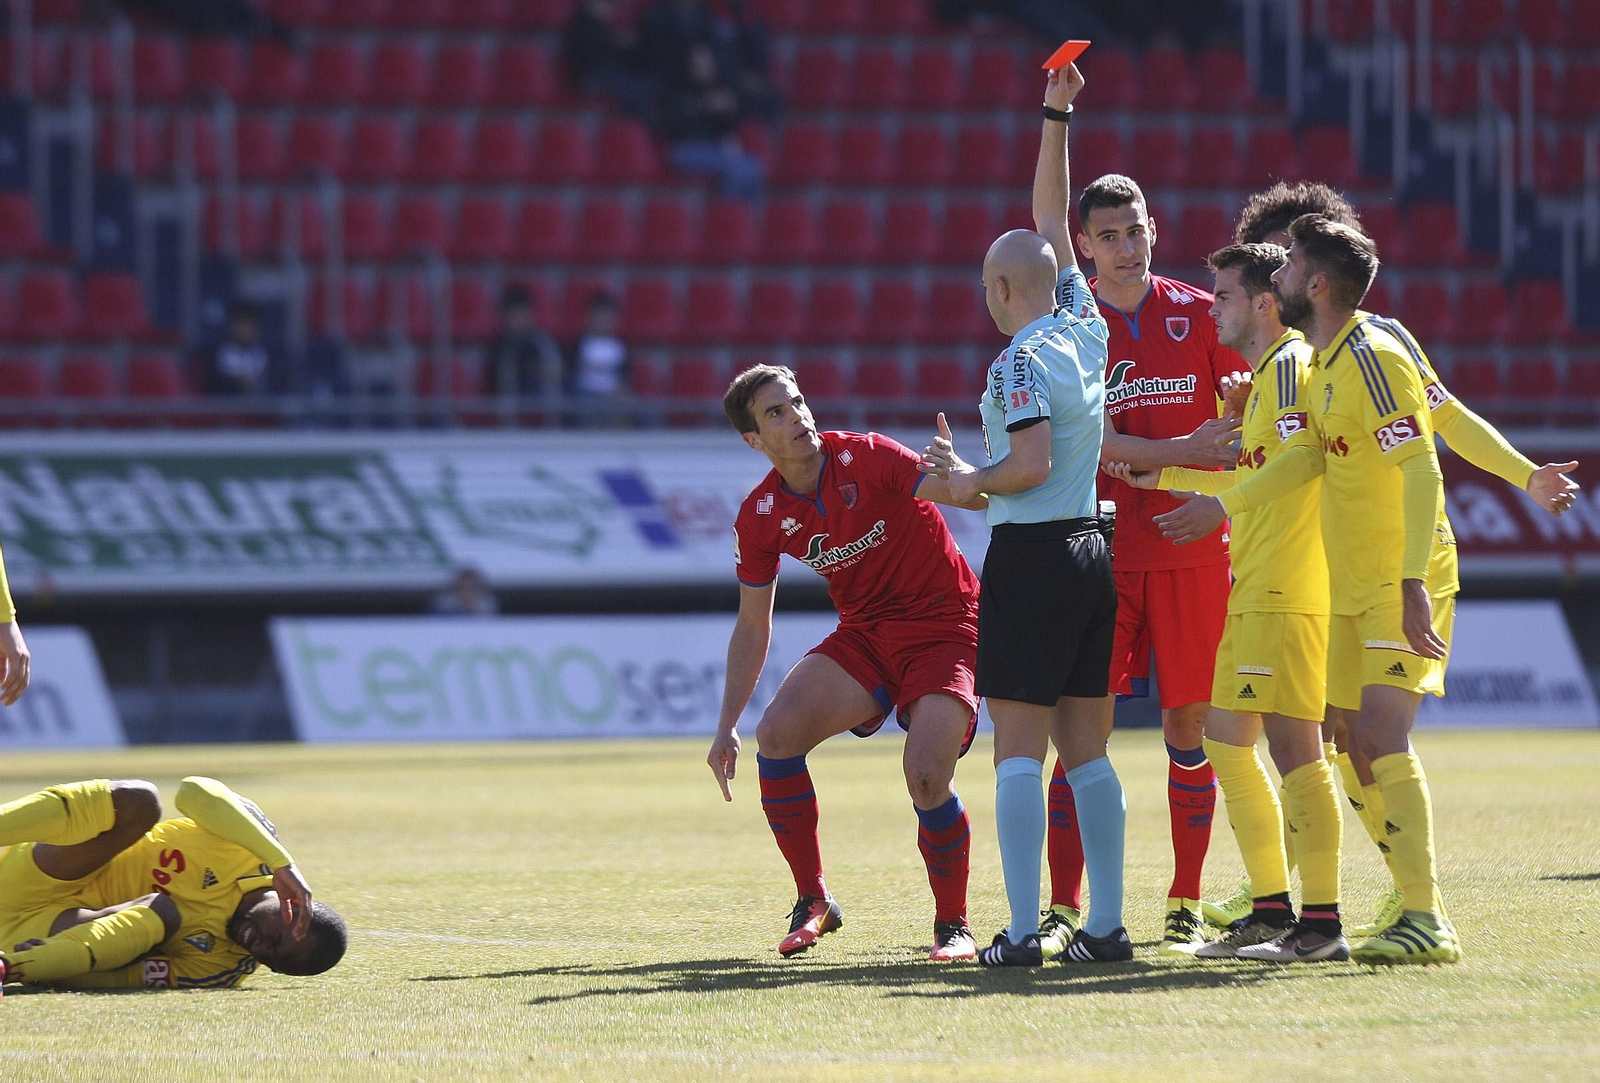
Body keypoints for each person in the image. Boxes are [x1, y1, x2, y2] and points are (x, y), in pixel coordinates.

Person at [1215, 181, 1582, 937]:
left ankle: (1423, 909)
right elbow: (1306, 460)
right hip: (1347, 574)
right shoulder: (1315, 364)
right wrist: (1221, 493)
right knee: (1347, 737)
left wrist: (1520, 478)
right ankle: (1408, 890)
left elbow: (1430, 452)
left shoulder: (1378, 349)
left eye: (1284, 263)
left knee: (1377, 735)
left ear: (1315, 277)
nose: (1271, 274)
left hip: (1398, 571)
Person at [1153, 214, 1477, 963]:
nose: (1215, 306)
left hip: (1314, 583)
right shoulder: (1308, 366)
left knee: (1322, 744)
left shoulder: (1327, 360)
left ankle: (1353, 913)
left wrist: (1411, 578)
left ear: (1300, 286)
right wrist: (1172, 474)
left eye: (1229, 292)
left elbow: (1417, 456)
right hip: (1299, 583)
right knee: (1331, 741)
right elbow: (1291, 462)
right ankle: (1307, 908)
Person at [920, 62, 1127, 967]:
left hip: (1034, 557)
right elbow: (1053, 219)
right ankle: (1108, 929)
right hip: (1092, 545)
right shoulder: (1086, 324)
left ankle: (1016, 932)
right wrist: (1055, 115)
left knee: (1016, 753)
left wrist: (964, 480)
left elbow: (1027, 464)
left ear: (999, 291)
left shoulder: (1012, 364)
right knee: (1089, 754)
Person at [1106, 241, 1349, 961]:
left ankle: (1322, 924)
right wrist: (1159, 481)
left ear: (1262, 304)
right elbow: (1249, 470)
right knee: (1223, 740)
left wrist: (1221, 508)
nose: (1209, 309)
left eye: (1222, 297)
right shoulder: (1263, 376)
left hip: (1288, 582)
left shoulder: (1292, 368)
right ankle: (1272, 909)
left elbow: (1302, 467)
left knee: (1296, 748)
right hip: (1254, 582)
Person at [705, 365, 988, 962]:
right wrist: (726, 723)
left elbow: (973, 497)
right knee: (775, 736)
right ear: (754, 441)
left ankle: (952, 924)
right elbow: (754, 623)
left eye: (798, 402)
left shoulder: (869, 455)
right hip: (866, 635)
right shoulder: (759, 515)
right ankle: (813, 901)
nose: (798, 417)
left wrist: (960, 475)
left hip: (946, 625)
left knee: (927, 775)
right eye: (776, 413)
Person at [1039, 169, 1249, 956]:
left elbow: (1249, 431)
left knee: (1188, 727)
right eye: (1109, 235)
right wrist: (1177, 449)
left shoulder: (1203, 315)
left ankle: (1186, 898)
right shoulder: (1069, 325)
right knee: (1079, 732)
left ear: (1154, 230)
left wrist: (1229, 426)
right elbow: (1076, 440)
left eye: (1137, 231)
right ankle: (1065, 906)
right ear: (1084, 245)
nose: (1127, 247)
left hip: (1193, 548)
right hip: (1099, 551)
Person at [0, 776, 346, 993]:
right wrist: (281, 862)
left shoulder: (221, 968)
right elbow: (193, 791)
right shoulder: (253, 843)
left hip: (41, 932)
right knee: (140, 800)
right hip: (31, 876)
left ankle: (8, 968)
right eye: (277, 939)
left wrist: (47, 967)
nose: (260, 949)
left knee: (161, 912)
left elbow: (124, 979)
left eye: (273, 961)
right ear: (295, 907)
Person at [483, 285, 564, 400]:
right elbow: (496, 384)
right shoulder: (497, 347)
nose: (519, 321)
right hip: (509, 401)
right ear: (504, 317)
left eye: (523, 315)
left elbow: (556, 374)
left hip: (541, 399)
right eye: (514, 317)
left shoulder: (543, 343)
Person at [566, 292, 631, 424]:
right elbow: (571, 374)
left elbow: (625, 376)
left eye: (607, 316)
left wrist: (620, 391)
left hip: (614, 396)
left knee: (638, 409)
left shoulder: (619, 346)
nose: (603, 321)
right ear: (590, 317)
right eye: (599, 316)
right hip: (585, 394)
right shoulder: (580, 345)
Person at [200, 301, 274, 397]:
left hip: (264, 407)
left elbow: (278, 383)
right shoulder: (219, 353)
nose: (246, 330)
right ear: (232, 327)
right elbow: (213, 385)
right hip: (229, 408)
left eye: (250, 325)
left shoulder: (269, 353)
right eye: (242, 325)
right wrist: (238, 382)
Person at [432, 567, 499, 617]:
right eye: (463, 587)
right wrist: (458, 610)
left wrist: (474, 611)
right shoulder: (444, 605)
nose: (466, 591)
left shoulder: (486, 606)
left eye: (471, 587)